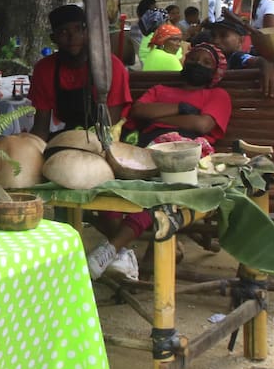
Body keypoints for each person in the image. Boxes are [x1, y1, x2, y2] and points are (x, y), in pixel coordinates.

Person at [86, 43, 232, 280]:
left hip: (188, 155)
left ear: (215, 73)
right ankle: (121, 254)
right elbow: (139, 112)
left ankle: (111, 249)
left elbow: (202, 125)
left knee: (158, 196)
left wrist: (163, 115)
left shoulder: (217, 95)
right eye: (194, 59)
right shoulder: (159, 89)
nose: (198, 65)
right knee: (113, 185)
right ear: (185, 61)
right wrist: (182, 109)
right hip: (148, 150)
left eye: (207, 63)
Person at [29, 3, 131, 141]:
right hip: (70, 137)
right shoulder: (45, 70)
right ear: (54, 38)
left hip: (107, 138)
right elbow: (41, 127)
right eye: (64, 32)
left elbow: (111, 126)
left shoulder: (111, 67)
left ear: (87, 32)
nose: (72, 37)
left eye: (78, 29)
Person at [202, 11, 274, 97]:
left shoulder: (236, 57)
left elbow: (253, 60)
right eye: (213, 36)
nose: (215, 40)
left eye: (223, 35)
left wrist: (266, 64)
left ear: (241, 40)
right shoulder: (213, 58)